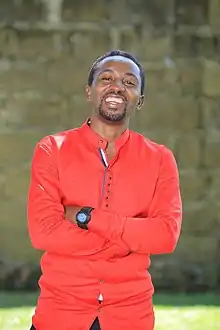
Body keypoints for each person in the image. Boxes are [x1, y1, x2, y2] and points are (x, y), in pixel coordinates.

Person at [27, 50, 182, 330]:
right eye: (106, 78)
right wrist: (130, 239)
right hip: (60, 313)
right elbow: (43, 232)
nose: (117, 87)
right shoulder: (52, 149)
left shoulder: (160, 159)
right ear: (90, 91)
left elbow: (165, 236)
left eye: (129, 82)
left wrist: (88, 218)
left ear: (140, 100)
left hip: (130, 317)